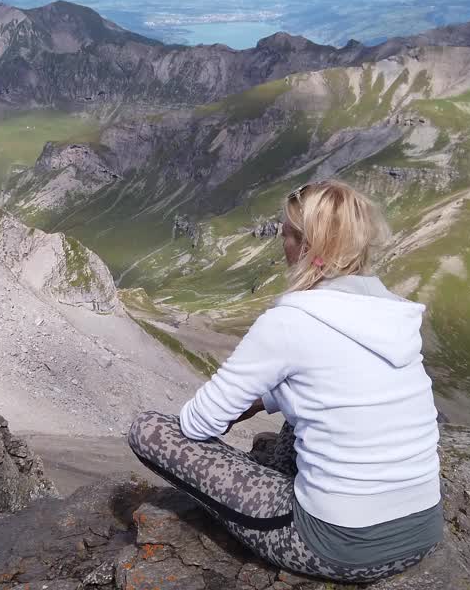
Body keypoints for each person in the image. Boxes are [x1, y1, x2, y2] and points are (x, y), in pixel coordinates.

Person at [127, 180, 442, 584]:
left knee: (151, 430)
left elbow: (197, 425)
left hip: (337, 546)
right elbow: (334, 380)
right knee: (296, 417)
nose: (281, 242)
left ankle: (274, 493)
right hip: (423, 532)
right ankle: (283, 476)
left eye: (287, 233)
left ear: (308, 247)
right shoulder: (395, 316)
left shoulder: (290, 321)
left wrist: (241, 407)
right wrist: (267, 399)